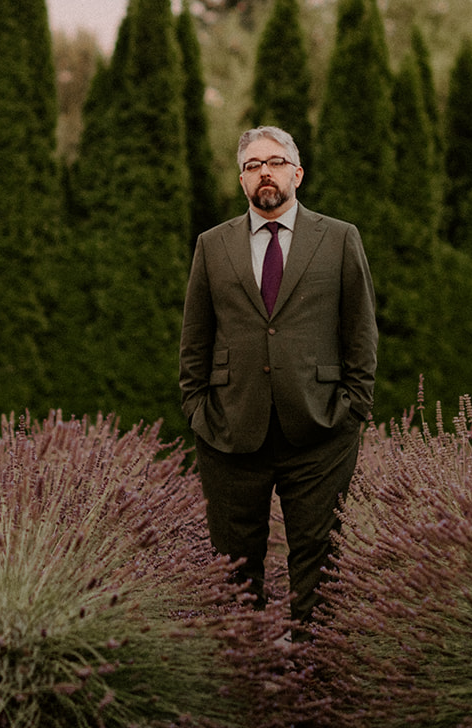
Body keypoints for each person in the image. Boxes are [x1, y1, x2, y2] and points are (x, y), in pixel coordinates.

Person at [179, 125, 377, 627]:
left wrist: (353, 408)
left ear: (297, 173)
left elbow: (360, 331)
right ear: (242, 181)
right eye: (252, 165)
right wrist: (198, 409)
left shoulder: (338, 238)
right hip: (230, 431)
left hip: (319, 430)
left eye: (275, 162)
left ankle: (312, 681)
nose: (264, 172)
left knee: (318, 563)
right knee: (233, 571)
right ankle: (244, 677)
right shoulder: (212, 245)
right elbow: (195, 339)